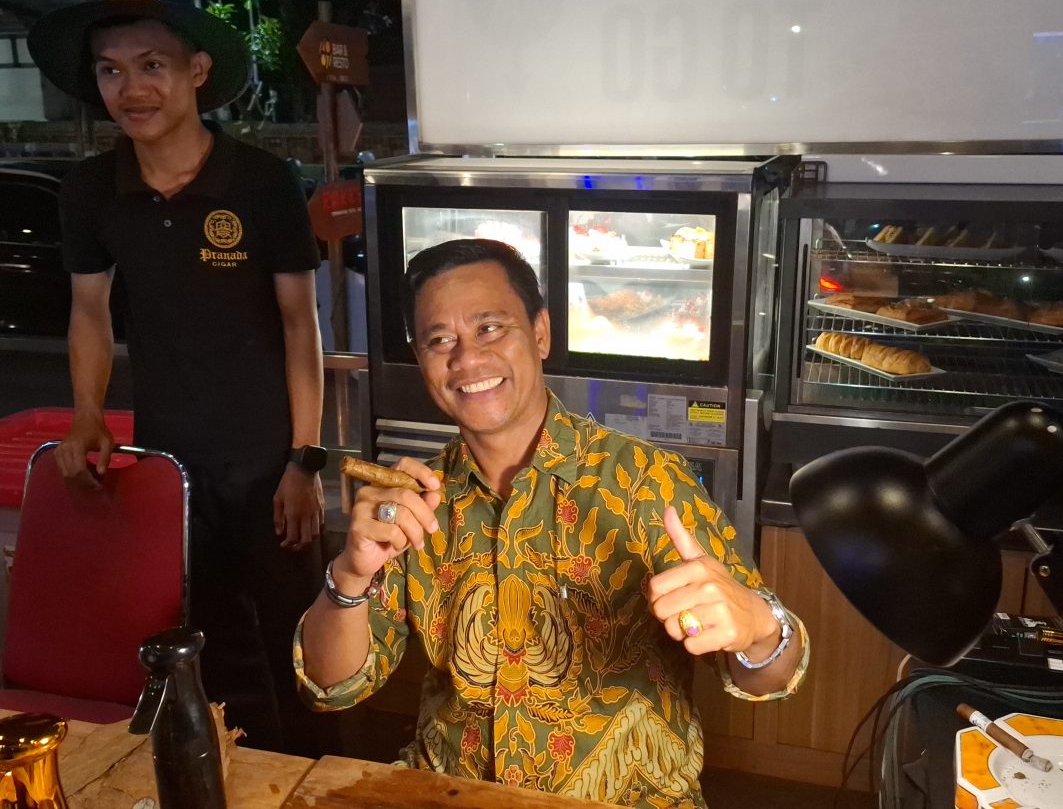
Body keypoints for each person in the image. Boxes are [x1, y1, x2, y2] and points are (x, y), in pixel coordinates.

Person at [296, 239, 808, 806]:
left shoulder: (644, 481)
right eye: (441, 340)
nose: (466, 359)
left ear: (540, 333)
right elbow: (332, 687)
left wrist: (760, 630)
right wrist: (349, 572)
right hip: (454, 790)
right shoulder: (413, 504)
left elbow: (770, 677)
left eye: (490, 328)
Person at [27, 0, 332, 756]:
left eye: (152, 65)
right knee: (207, 642)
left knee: (300, 642)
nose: (130, 88)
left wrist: (306, 459)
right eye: (110, 70)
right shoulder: (91, 190)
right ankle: (227, 776)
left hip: (269, 463)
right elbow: (90, 311)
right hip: (170, 461)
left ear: (197, 71)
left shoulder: (262, 181)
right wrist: (88, 416)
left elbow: (301, 326)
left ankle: (314, 778)